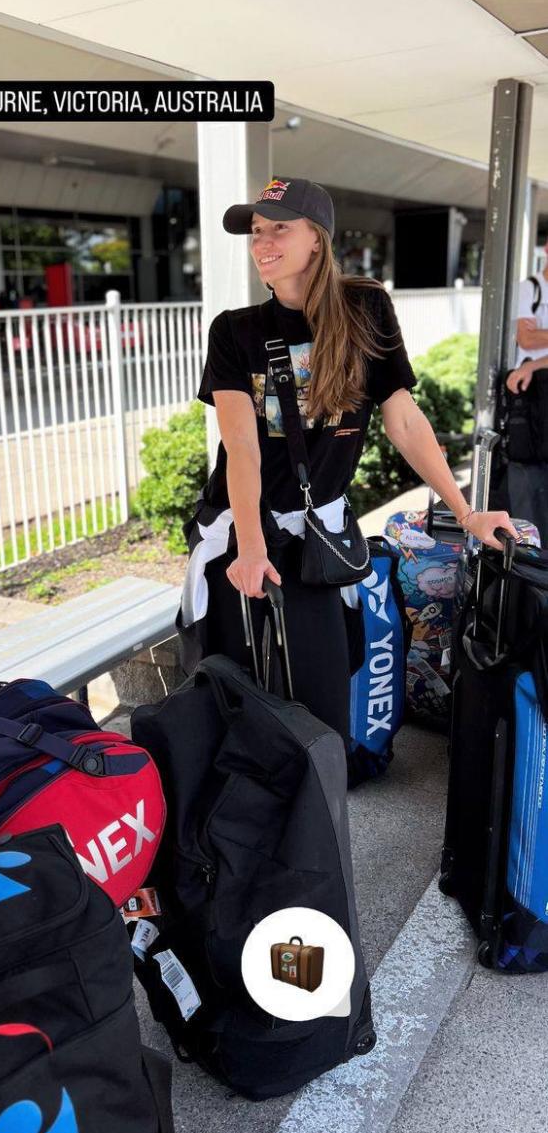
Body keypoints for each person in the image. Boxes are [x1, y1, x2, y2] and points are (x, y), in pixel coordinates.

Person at [177, 177, 520, 741]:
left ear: (318, 238)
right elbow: (240, 445)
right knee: (229, 702)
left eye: (278, 228)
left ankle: (320, 821)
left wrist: (465, 513)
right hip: (245, 532)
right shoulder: (235, 331)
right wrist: (253, 547)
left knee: (324, 703)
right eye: (256, 232)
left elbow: (404, 420)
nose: (262, 242)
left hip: (319, 539)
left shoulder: (366, 310)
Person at [502, 242, 548, 542]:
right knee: (525, 477)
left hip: (533, 376)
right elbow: (526, 339)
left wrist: (534, 364)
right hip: (531, 398)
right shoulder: (530, 288)